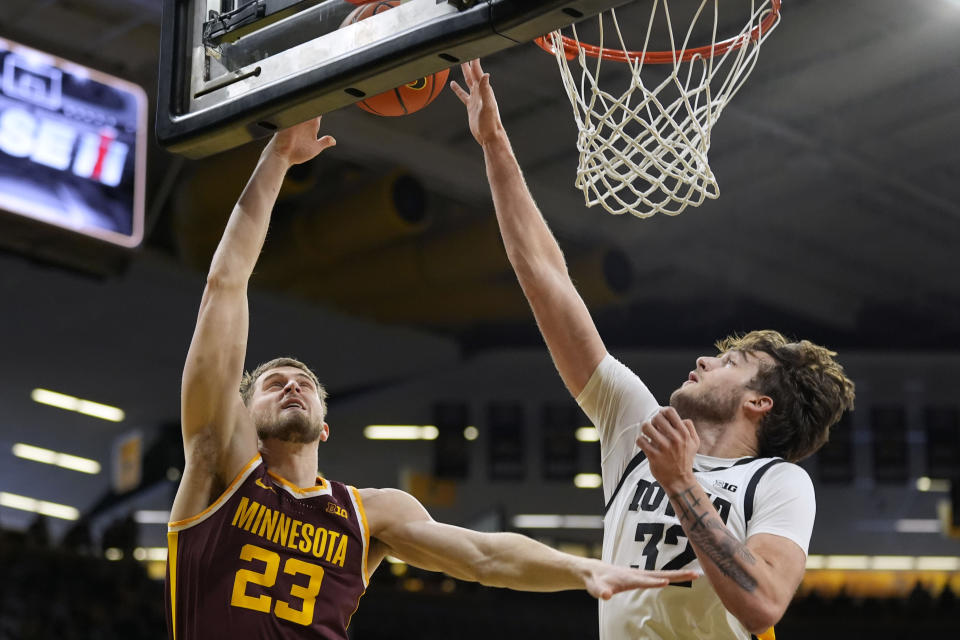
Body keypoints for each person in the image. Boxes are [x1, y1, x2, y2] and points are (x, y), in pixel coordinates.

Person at [164, 118, 696, 640]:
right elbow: (225, 284)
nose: (292, 385)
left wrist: (581, 570)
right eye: (273, 383)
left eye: (303, 382)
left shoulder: (369, 514)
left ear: (326, 428)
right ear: (244, 417)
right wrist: (277, 157)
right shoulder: (220, 468)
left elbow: (483, 556)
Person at [450, 59, 856, 640]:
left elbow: (764, 604)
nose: (703, 362)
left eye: (728, 363)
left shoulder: (776, 482)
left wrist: (682, 483)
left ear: (759, 403)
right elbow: (546, 279)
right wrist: (493, 144)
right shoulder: (639, 428)